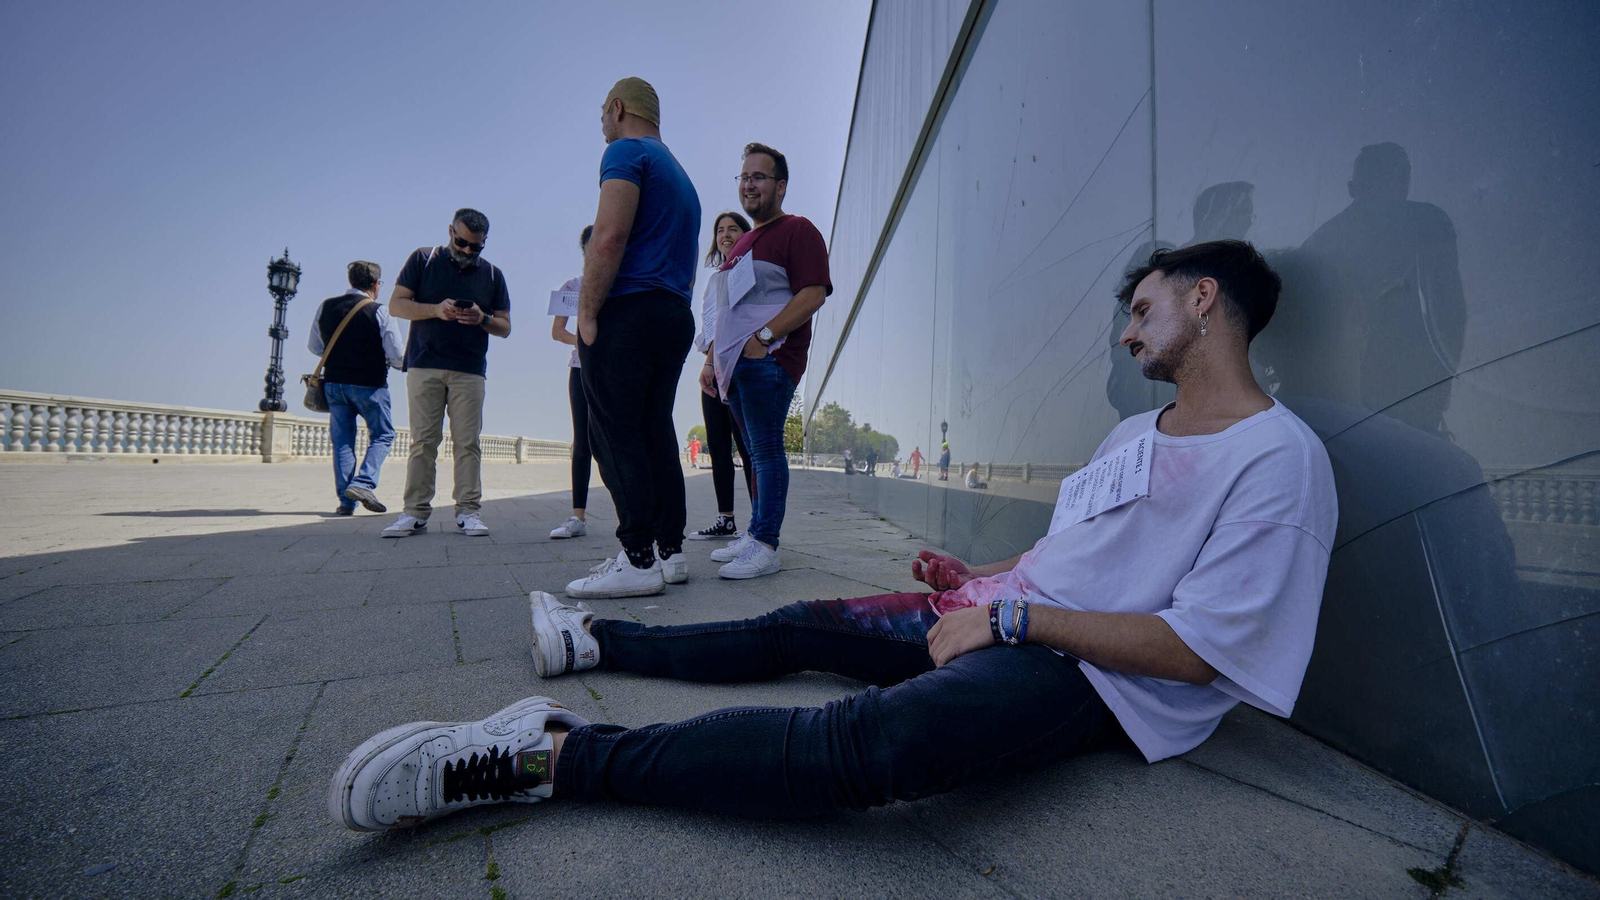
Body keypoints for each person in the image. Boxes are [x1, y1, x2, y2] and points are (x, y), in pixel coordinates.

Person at [329, 239, 1338, 831]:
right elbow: (1087, 548)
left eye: (1143, 309)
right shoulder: (1135, 430)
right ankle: (599, 643)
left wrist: (1019, 619)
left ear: (1203, 301)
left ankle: (551, 757)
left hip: (1091, 673)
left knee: (868, 748)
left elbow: (1201, 653)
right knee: (801, 625)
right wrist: (986, 576)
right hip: (1010, 612)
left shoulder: (1277, 462)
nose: (1127, 332)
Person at [564, 77, 701, 599]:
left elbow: (610, 235)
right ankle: (670, 551)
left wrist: (587, 312)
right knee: (654, 429)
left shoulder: (625, 151)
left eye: (602, 112)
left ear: (617, 108)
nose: (601, 122)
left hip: (630, 310)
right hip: (672, 312)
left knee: (612, 432)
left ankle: (637, 556)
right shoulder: (681, 174)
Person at [700, 143, 830, 580]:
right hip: (736, 366)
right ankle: (754, 533)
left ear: (781, 186)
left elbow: (812, 293)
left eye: (759, 177)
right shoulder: (747, 241)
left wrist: (765, 337)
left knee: (768, 451)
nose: (749, 184)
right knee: (753, 453)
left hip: (768, 360)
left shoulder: (798, 230)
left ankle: (766, 544)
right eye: (743, 177)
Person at [381, 208, 512, 539]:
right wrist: (436, 310)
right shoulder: (423, 259)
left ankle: (468, 511)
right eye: (462, 242)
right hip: (424, 365)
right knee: (423, 442)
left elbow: (505, 326)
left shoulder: (494, 275)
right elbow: (396, 305)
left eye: (476, 247)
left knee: (468, 443)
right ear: (450, 231)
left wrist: (482, 318)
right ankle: (415, 513)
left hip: (470, 370)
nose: (468, 250)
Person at [308, 261, 403, 516]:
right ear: (375, 284)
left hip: (335, 384)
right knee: (383, 434)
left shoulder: (326, 307)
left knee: (342, 442)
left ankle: (345, 503)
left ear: (351, 281)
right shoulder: (380, 312)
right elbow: (396, 356)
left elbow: (316, 347)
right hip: (370, 386)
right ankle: (362, 483)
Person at [689, 212, 755, 541]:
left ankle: (759, 524)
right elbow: (710, 324)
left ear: (746, 234)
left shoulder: (748, 270)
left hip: (735, 366)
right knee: (718, 445)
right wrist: (708, 361)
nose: (725, 235)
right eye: (720, 230)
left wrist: (710, 363)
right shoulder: (715, 278)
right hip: (713, 366)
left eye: (733, 229)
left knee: (747, 446)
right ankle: (725, 518)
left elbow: (731, 323)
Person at [549, 226, 596, 540]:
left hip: (615, 371)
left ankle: (632, 512)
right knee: (583, 441)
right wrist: (582, 343)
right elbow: (557, 332)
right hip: (581, 369)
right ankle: (577, 515)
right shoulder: (573, 287)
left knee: (615, 439)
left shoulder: (623, 283)